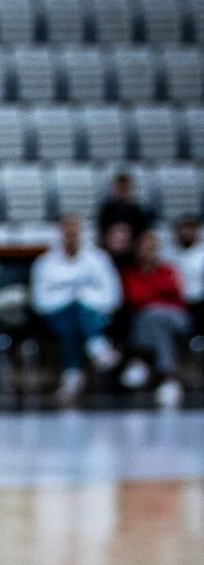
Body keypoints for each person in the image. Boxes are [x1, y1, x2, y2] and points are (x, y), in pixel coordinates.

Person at [28, 214, 122, 402]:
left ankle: (72, 375)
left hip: (95, 313)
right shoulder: (44, 263)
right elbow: (39, 300)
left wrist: (84, 301)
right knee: (72, 318)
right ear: (59, 233)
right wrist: (70, 299)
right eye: (66, 230)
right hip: (56, 315)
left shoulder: (99, 259)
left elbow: (113, 294)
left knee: (78, 315)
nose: (71, 234)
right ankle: (97, 346)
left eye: (75, 230)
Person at [119, 227, 192, 392]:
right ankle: (168, 377)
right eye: (145, 247)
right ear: (136, 250)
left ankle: (140, 360)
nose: (149, 251)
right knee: (155, 321)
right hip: (152, 319)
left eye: (152, 247)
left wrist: (151, 293)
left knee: (150, 315)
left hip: (177, 317)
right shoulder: (131, 274)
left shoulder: (167, 269)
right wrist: (158, 293)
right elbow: (135, 298)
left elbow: (175, 290)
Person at [96, 172, 156, 252]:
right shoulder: (106, 210)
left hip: (132, 251)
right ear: (115, 189)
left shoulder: (137, 211)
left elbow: (142, 234)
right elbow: (102, 234)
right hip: (110, 251)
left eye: (125, 188)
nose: (123, 191)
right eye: (120, 188)